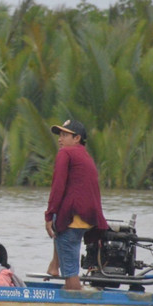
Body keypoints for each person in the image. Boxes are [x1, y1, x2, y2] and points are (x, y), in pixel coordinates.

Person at [44, 119, 108, 290]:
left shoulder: (66, 153)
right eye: (60, 135)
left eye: (65, 135)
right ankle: (54, 265)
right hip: (88, 219)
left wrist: (48, 216)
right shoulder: (84, 155)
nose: (60, 139)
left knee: (71, 275)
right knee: (60, 221)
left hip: (73, 220)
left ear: (77, 138)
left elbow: (57, 187)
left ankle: (73, 305)